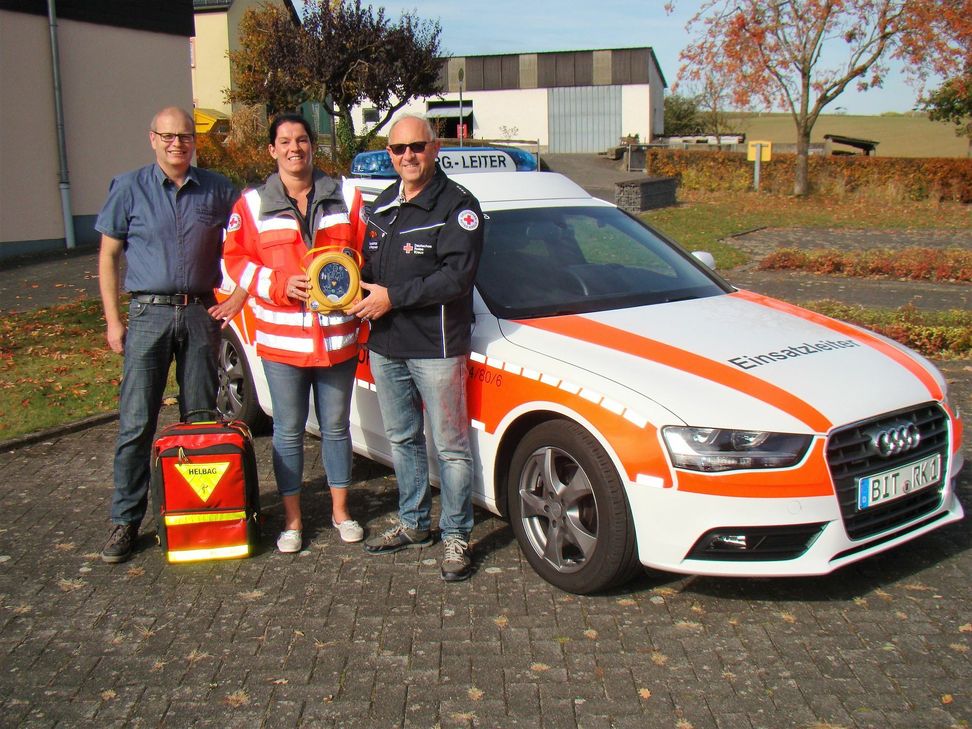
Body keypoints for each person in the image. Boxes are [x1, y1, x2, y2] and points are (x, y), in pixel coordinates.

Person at [97, 106, 244, 564]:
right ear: (152, 138)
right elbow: (108, 258)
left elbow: (250, 245)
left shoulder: (219, 189)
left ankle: (200, 514)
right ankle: (126, 521)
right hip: (147, 316)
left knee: (200, 421)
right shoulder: (128, 188)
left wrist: (240, 295)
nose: (177, 143)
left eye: (185, 136)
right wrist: (113, 320)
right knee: (136, 423)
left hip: (201, 314)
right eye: (169, 136)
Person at [349, 114, 484, 582]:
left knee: (449, 448)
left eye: (417, 147)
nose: (408, 155)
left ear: (436, 146)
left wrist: (392, 298)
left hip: (436, 346)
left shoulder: (458, 206)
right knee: (403, 440)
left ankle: (455, 536)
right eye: (399, 148)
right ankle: (412, 524)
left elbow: (455, 277)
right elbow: (367, 265)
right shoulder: (383, 202)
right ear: (390, 154)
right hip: (386, 344)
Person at [222, 113, 364, 553]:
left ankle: (341, 512)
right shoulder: (251, 204)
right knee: (287, 431)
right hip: (282, 343)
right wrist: (278, 285)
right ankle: (292, 521)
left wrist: (348, 277)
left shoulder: (346, 194)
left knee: (337, 428)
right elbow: (235, 260)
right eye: (285, 142)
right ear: (272, 150)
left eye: (301, 140)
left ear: (312, 146)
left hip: (337, 338)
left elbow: (363, 252)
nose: (294, 148)